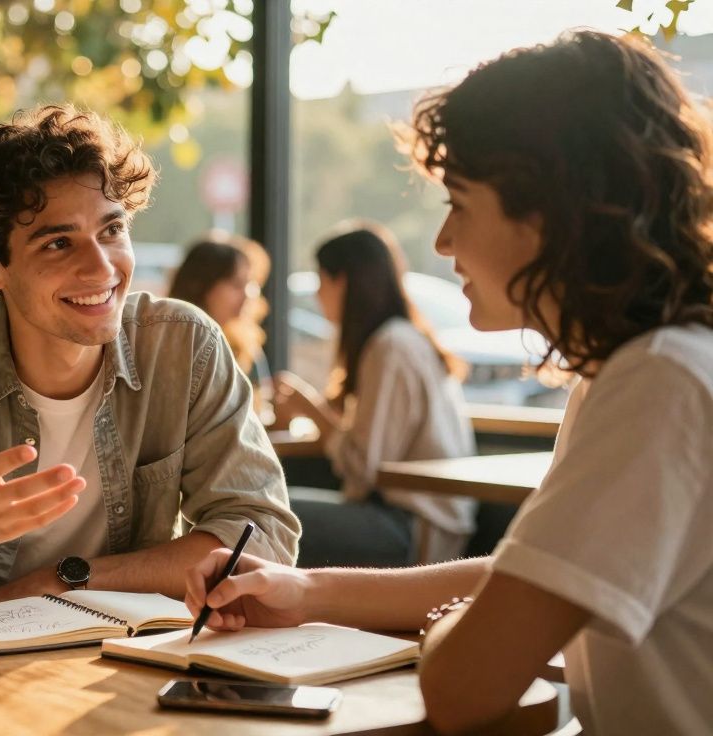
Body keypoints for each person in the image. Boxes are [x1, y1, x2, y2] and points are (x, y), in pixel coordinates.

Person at [183, 31, 713, 735]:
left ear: (549, 211)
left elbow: (464, 689)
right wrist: (303, 589)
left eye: (458, 204)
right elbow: (527, 576)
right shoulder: (641, 366)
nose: (442, 244)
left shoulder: (660, 383)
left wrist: (454, 626)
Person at [0, 105, 300, 609]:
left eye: (112, 231)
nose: (100, 268)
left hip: (130, 663)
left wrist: (66, 581)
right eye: (57, 243)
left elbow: (262, 537)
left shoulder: (183, 347)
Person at [273, 224, 476, 566]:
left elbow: (362, 467)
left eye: (322, 280)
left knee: (261, 515)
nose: (318, 294)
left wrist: (311, 409)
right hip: (413, 516)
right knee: (267, 503)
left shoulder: (391, 347)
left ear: (343, 282)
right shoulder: (397, 339)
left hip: (415, 527)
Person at [167, 231, 272, 386]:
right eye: (237, 284)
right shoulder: (169, 348)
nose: (248, 294)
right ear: (200, 286)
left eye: (250, 283)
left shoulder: (245, 347)